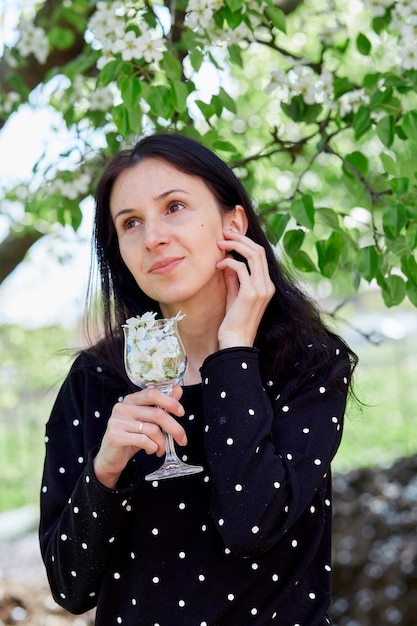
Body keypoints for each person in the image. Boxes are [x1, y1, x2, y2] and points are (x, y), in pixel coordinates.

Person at [39, 132, 357, 626]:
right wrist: (104, 471)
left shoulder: (308, 364)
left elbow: (251, 524)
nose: (153, 237)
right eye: (131, 223)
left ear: (234, 222)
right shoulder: (97, 379)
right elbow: (69, 587)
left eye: (175, 207)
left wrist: (233, 354)